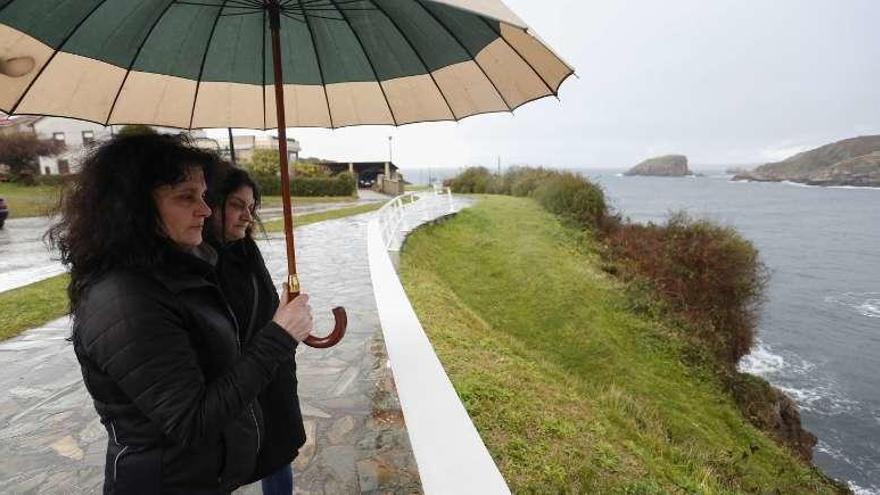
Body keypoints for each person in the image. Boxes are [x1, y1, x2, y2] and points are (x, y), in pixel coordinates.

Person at [47, 133, 313, 494]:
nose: (205, 209)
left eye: (203, 196)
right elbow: (191, 420)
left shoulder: (177, 273)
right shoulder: (125, 299)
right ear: (133, 207)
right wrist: (279, 337)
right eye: (186, 197)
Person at [205, 164, 305, 494]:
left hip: (272, 374)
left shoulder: (247, 250)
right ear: (212, 203)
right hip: (236, 384)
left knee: (277, 455)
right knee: (226, 463)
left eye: (251, 207)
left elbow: (263, 308)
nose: (247, 216)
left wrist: (286, 313)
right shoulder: (198, 262)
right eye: (236, 205)